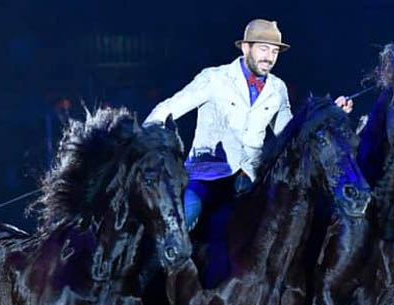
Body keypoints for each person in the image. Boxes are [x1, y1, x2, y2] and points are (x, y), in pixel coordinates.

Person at [144, 19, 353, 229]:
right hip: (208, 173)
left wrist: (330, 114)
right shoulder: (214, 78)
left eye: (274, 52)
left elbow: (290, 135)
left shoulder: (277, 88)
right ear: (246, 48)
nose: (269, 58)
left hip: (250, 178)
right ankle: (154, 261)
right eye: (263, 49)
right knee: (184, 217)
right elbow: (167, 109)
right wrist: (145, 142)